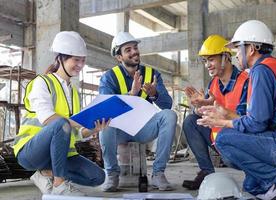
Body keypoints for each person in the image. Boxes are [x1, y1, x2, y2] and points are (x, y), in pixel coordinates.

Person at [199, 20, 276, 200]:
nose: (236, 54)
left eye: (238, 48)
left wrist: (224, 122)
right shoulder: (275, 66)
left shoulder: (260, 70)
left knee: (223, 138)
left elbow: (257, 123)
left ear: (251, 49)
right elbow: (268, 119)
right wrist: (226, 114)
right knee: (251, 186)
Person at [13, 31, 109, 196]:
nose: (80, 65)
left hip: (58, 155)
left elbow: (76, 134)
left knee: (98, 177)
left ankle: (46, 174)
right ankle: (59, 185)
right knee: (60, 123)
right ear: (60, 59)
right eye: (76, 60)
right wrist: (80, 121)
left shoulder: (73, 92)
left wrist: (94, 128)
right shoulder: (42, 83)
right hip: (31, 152)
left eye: (83, 60)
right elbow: (49, 119)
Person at [99, 31, 177, 192]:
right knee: (105, 122)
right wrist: (130, 95)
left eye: (135, 47)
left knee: (170, 115)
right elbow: (104, 109)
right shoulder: (109, 77)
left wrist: (154, 93)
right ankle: (112, 174)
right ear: (119, 57)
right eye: (128, 50)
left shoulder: (152, 74)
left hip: (143, 128)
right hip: (118, 130)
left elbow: (167, 105)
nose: (134, 51)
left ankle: (158, 173)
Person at [182, 35, 249, 190]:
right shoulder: (213, 84)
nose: (207, 65)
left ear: (225, 58)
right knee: (191, 121)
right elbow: (205, 113)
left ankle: (254, 172)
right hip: (218, 139)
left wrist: (216, 112)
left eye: (211, 60)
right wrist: (199, 107)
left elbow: (246, 121)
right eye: (205, 61)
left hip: (240, 142)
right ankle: (206, 172)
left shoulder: (245, 81)